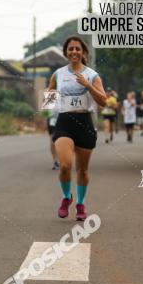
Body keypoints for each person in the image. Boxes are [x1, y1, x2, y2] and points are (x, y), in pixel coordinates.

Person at [48, 36, 106, 221]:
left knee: (82, 170)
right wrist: (52, 106)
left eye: (77, 49)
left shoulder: (92, 75)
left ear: (83, 52)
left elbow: (103, 102)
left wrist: (88, 86)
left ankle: (80, 203)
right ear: (66, 52)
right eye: (70, 49)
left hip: (84, 122)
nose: (74, 52)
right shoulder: (58, 74)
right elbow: (49, 98)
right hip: (64, 122)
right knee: (65, 165)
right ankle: (67, 198)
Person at [48, 105, 59, 170]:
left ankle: (63, 159)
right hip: (52, 118)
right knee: (53, 141)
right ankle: (55, 161)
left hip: (64, 117)